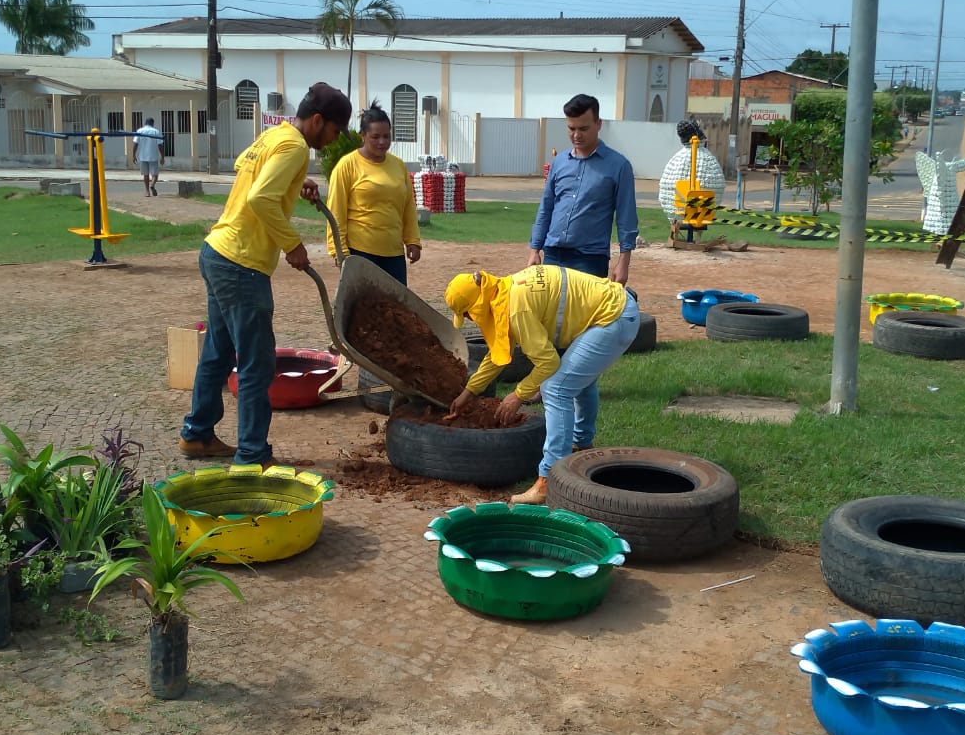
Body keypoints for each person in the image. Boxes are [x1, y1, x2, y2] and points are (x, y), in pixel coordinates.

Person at [179, 83, 351, 468]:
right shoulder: (294, 147)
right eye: (335, 131)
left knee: (219, 352)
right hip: (242, 264)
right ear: (318, 120)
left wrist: (295, 182)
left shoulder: (275, 135)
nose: (334, 139)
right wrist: (292, 243)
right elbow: (260, 197)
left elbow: (251, 172)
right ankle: (252, 453)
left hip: (217, 252)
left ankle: (197, 435)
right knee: (257, 363)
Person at [444, 264, 639, 505]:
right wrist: (469, 392)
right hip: (615, 310)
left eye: (467, 314)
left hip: (613, 317)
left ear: (477, 306)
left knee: (555, 388)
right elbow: (498, 355)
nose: (470, 320)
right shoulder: (504, 291)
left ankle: (548, 481)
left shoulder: (516, 309)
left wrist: (518, 395)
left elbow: (548, 362)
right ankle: (582, 443)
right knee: (578, 381)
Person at [528, 94, 638, 284]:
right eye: (571, 128)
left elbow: (626, 218)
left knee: (584, 314)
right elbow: (546, 208)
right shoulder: (559, 163)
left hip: (590, 259)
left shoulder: (619, 166)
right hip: (553, 254)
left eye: (583, 129)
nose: (576, 135)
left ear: (598, 124)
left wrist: (624, 262)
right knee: (551, 311)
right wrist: (534, 250)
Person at [325, 100, 421, 284]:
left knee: (395, 309)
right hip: (360, 252)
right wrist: (339, 251)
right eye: (375, 137)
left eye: (386, 136)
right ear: (363, 135)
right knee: (365, 309)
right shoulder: (347, 166)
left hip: (393, 254)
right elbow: (336, 211)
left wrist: (413, 240)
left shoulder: (398, 165)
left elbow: (408, 205)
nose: (382, 142)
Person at [658, 119, 726, 227]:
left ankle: (678, 226)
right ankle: (694, 232)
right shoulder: (707, 159)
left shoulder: (678, 160)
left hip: (682, 212)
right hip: (697, 212)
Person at [133, 114, 165, 197]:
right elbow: (160, 145)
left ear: (145, 123)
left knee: (145, 174)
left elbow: (135, 144)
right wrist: (162, 157)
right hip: (153, 156)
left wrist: (133, 155)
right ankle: (152, 184)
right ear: (152, 123)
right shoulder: (156, 131)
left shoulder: (140, 131)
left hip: (143, 156)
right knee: (155, 174)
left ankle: (147, 192)